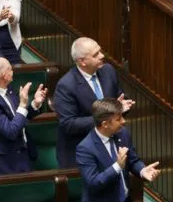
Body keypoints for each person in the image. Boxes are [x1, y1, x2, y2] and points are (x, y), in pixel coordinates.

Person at [76, 98, 160, 202]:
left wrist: (142, 171)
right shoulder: (85, 148)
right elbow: (93, 183)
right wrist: (117, 166)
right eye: (118, 119)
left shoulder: (123, 134)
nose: (123, 121)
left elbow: (133, 160)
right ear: (105, 124)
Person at [53, 37, 134, 167]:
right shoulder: (66, 85)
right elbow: (69, 124)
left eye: (100, 51)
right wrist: (106, 117)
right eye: (96, 54)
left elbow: (120, 98)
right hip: (81, 152)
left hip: (111, 145)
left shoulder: (108, 71)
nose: (102, 56)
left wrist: (121, 106)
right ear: (82, 61)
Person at [0, 57, 46, 175]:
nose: (12, 71)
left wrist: (35, 104)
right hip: (2, 163)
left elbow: (19, 118)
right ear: (4, 75)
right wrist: (23, 104)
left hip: (22, 156)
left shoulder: (8, 89)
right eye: (10, 69)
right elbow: (11, 131)